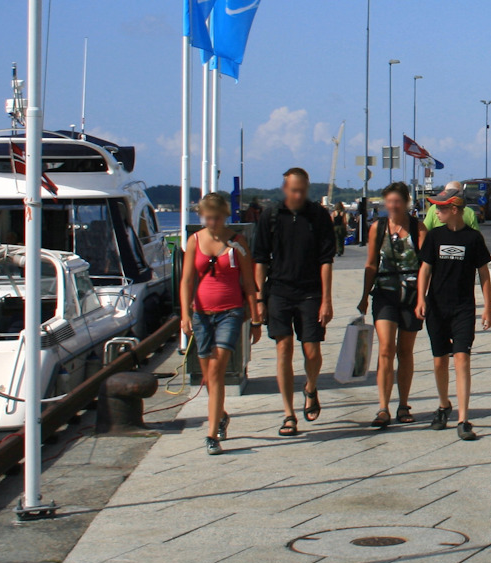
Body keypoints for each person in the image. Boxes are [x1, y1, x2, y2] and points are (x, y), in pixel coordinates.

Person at [252, 168, 337, 438]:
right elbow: (260, 260)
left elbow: (326, 260)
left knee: (312, 351)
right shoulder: (271, 216)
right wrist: (258, 299)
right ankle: (289, 414)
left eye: (302, 190)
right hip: (278, 290)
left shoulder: (318, 216)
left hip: (310, 291)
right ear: (285, 189)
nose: (298, 194)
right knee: (284, 349)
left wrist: (327, 299)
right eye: (293, 190)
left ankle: (310, 387)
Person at [179, 193, 259, 456]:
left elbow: (249, 282)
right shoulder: (194, 241)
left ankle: (212, 434)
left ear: (225, 216)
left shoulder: (237, 242)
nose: (212, 222)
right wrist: (185, 314)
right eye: (207, 218)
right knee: (208, 375)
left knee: (217, 371)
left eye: (216, 217)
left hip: (230, 312)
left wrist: (256, 317)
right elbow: (186, 280)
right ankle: (221, 414)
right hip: (201, 313)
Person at [414, 188, 491, 440]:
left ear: (454, 210)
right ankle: (443, 404)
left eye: (441, 208)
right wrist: (420, 299)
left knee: (462, 358)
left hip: (463, 307)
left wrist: (488, 306)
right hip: (436, 305)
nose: (436, 212)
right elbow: (425, 269)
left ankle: (463, 418)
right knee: (439, 360)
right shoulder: (435, 236)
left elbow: (484, 274)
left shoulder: (473, 239)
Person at [358, 183, 424, 429]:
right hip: (384, 293)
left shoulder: (418, 229)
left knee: (405, 351)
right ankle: (383, 406)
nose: (393, 206)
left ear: (406, 202)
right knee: (385, 348)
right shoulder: (378, 228)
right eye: (389, 202)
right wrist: (364, 295)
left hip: (411, 294)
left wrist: (423, 298)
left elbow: (426, 266)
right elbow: (371, 263)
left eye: (398, 202)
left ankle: (404, 403)